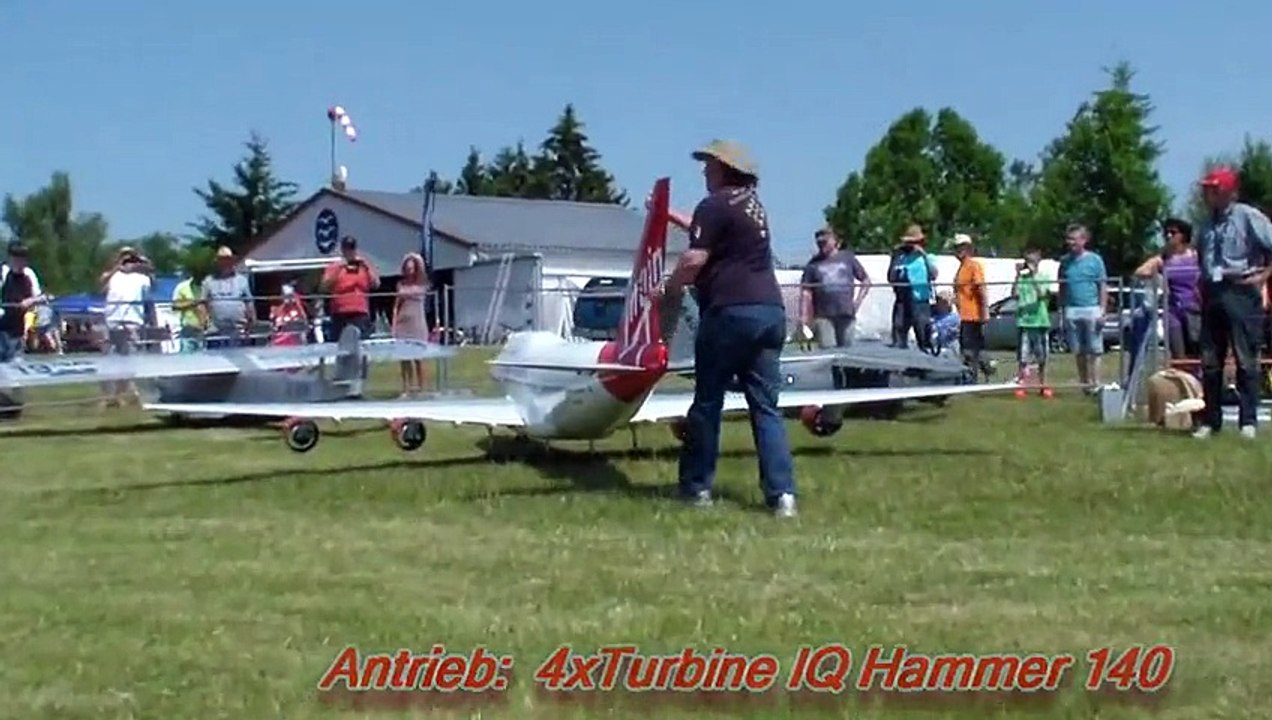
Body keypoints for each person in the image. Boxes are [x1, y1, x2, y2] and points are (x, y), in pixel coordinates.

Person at [660, 139, 796, 518]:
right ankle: (782, 495)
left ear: (724, 169)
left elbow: (695, 257)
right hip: (770, 312)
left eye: (709, 165)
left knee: (707, 402)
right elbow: (717, 235)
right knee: (766, 408)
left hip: (729, 312)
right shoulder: (752, 207)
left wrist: (670, 288)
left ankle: (696, 487)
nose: (705, 171)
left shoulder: (714, 204)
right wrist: (671, 216)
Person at [1191, 167, 1272, 440]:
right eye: (1206, 190)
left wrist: (1263, 276)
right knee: (1210, 360)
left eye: (1213, 190)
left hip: (1241, 290)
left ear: (1228, 192)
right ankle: (1210, 421)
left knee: (1245, 359)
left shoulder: (1248, 217)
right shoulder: (1205, 223)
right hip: (1213, 291)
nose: (1207, 195)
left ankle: (1247, 421)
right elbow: (1201, 254)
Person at [799, 226, 871, 424]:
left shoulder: (847, 258)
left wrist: (857, 303)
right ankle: (831, 400)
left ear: (835, 241)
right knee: (829, 358)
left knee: (848, 357)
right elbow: (806, 292)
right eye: (819, 240)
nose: (822, 243)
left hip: (846, 314)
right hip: (824, 316)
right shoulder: (813, 265)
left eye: (825, 239)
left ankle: (851, 398)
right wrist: (804, 319)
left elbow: (865, 280)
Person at [1134, 218, 1201, 361]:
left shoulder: (1196, 256)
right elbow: (1140, 272)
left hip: (1196, 309)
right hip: (1173, 311)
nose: (1169, 235)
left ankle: (1198, 382)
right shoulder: (1163, 258)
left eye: (1173, 232)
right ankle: (1180, 382)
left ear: (1183, 235)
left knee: (1197, 352)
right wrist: (1156, 269)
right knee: (1178, 355)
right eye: (1166, 233)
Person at [1057, 223, 1109, 392]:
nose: (1070, 242)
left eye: (1074, 239)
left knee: (1095, 349)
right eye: (1069, 239)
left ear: (1084, 240)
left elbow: (1102, 285)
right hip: (1072, 310)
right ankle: (1084, 384)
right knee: (1079, 350)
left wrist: (1103, 309)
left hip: (1092, 308)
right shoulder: (1065, 262)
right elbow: (1062, 286)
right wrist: (1062, 309)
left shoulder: (1095, 260)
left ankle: (1096, 383)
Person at [100, 246, 154, 407]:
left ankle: (121, 394)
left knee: (130, 360)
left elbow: (153, 284)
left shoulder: (142, 278)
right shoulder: (112, 276)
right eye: (125, 259)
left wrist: (144, 262)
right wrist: (117, 266)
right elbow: (100, 288)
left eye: (131, 259)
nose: (128, 262)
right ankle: (108, 396)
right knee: (107, 361)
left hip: (132, 322)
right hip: (112, 321)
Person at [1011, 246, 1054, 399]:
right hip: (1025, 322)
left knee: (1043, 357)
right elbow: (1014, 294)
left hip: (1040, 321)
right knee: (1023, 357)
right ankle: (1022, 385)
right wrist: (1017, 275)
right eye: (1027, 261)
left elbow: (1042, 294)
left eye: (1032, 261)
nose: (1029, 264)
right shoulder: (1022, 279)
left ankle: (1044, 385)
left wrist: (1034, 275)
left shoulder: (1044, 277)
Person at [887, 224, 937, 351]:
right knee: (899, 328)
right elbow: (891, 278)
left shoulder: (928, 257)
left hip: (919, 300)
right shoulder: (900, 257)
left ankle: (927, 355)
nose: (911, 246)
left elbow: (933, 275)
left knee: (922, 331)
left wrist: (923, 255)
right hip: (902, 300)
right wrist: (894, 258)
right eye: (908, 243)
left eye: (914, 242)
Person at [951, 233, 994, 380]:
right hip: (963, 314)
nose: (958, 251)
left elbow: (981, 288)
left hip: (973, 314)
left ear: (969, 249)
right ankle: (978, 372)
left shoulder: (973, 266)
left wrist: (985, 310)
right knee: (970, 348)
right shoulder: (961, 268)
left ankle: (979, 372)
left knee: (970, 349)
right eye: (956, 248)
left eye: (961, 248)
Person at [320, 236, 379, 341]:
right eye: (347, 248)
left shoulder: (364, 266)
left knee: (361, 342)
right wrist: (339, 268)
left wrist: (366, 266)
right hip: (340, 312)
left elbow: (375, 284)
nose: (349, 252)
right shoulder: (334, 266)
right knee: (340, 342)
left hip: (360, 311)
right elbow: (324, 287)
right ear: (342, 250)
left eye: (352, 248)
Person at [393, 253, 431, 397]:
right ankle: (406, 388)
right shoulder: (400, 285)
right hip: (403, 322)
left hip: (417, 323)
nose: (409, 270)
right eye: (407, 268)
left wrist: (415, 257)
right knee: (404, 358)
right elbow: (396, 305)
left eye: (412, 267)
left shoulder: (422, 284)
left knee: (419, 358)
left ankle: (421, 389)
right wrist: (394, 322)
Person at [202, 246, 255, 349]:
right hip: (216, 331)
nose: (225, 263)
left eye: (227, 260)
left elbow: (249, 302)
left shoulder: (242, 280)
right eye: (222, 260)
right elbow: (202, 303)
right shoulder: (208, 281)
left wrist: (251, 323)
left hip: (238, 331)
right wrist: (204, 323)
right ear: (217, 262)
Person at [0, 242, 45, 362]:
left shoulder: (29, 274)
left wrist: (29, 301)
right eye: (16, 257)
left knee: (15, 365)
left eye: (23, 258)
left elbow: (41, 297)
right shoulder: (3, 272)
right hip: (2, 327)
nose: (20, 262)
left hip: (18, 329)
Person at [171, 262, 209, 353]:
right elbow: (175, 305)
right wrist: (193, 303)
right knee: (186, 361)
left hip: (206, 331)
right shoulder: (182, 287)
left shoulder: (208, 286)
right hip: (188, 330)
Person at [929, 291, 960, 355]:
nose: (940, 304)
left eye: (944, 302)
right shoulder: (932, 316)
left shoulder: (955, 317)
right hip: (934, 347)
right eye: (938, 301)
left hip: (949, 348)